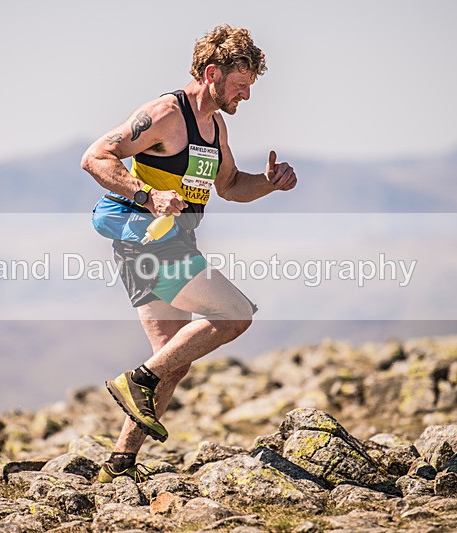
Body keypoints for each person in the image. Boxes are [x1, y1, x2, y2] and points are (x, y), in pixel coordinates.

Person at [80, 24, 297, 483]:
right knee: (234, 314)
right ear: (212, 73)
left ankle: (119, 464)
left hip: (175, 242)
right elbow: (96, 157)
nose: (246, 96)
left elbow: (230, 185)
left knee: (172, 360)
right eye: (240, 85)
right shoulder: (164, 114)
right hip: (148, 241)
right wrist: (147, 195)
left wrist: (268, 183)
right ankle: (137, 380)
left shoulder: (215, 126)